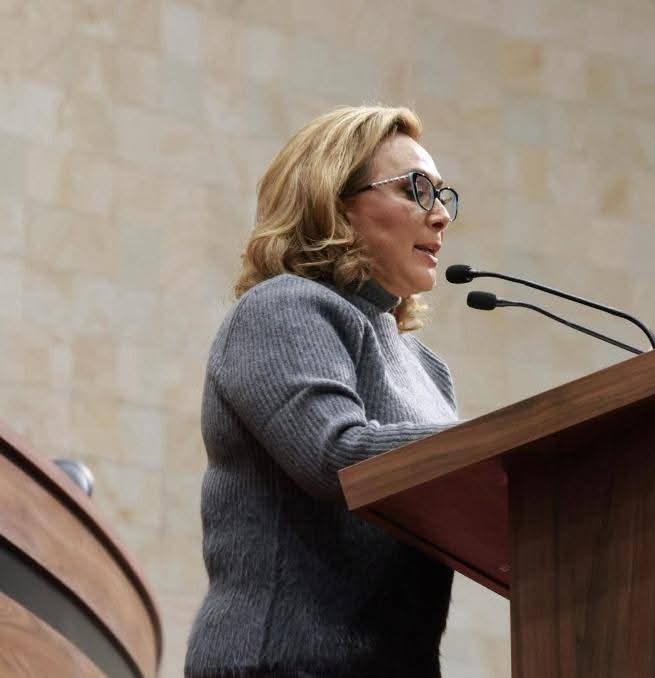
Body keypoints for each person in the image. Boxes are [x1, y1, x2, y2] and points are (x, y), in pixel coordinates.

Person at [185, 105, 461, 678]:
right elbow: (335, 457)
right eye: (415, 189)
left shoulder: (429, 371)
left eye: (442, 196)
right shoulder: (282, 307)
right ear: (334, 200)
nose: (440, 217)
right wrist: (495, 448)